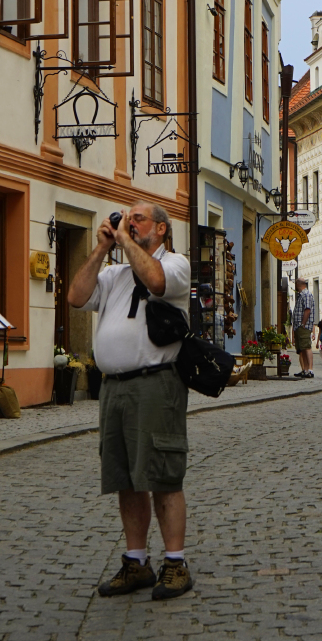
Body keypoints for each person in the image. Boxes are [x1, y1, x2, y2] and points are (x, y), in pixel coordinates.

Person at [67, 201, 193, 601]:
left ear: (161, 229)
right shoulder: (114, 273)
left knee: (162, 474)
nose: (130, 223)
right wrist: (102, 248)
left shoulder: (175, 264)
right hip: (114, 388)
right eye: (127, 218)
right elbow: (75, 297)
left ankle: (175, 563)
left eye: (138, 218)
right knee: (126, 477)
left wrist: (124, 239)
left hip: (156, 383)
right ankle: (136, 562)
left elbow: (155, 282)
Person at [292, 278, 315, 379]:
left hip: (303, 326)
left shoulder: (306, 294)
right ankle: (305, 370)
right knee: (302, 348)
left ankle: (310, 369)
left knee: (306, 347)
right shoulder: (301, 295)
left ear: (298, 284)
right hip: (298, 325)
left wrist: (303, 323)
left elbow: (307, 310)